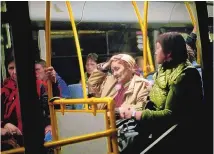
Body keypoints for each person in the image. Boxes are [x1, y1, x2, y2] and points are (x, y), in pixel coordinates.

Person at [121, 32, 203, 154]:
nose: (155, 52)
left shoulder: (185, 75)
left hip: (177, 134)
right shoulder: (164, 68)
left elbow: (170, 114)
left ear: (169, 53)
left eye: (158, 48)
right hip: (157, 125)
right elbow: (161, 92)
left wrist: (135, 113)